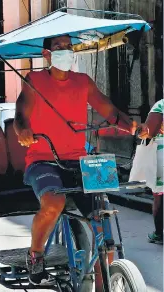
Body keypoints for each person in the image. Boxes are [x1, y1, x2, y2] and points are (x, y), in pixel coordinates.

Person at [14, 35, 137, 287]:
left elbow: (110, 112)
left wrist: (135, 127)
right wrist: (23, 131)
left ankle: (105, 281)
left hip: (79, 161)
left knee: (103, 217)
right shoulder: (34, 80)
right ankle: (35, 254)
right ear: (46, 54)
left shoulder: (83, 82)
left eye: (69, 47)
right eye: (59, 47)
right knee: (54, 203)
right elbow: (20, 114)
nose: (66, 51)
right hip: (43, 160)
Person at [138, 98, 164, 244]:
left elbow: (149, 132)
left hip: (161, 155)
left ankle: (159, 233)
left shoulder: (161, 105)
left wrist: (140, 132)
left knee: (159, 196)